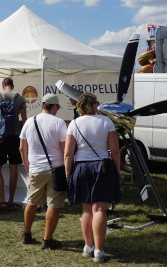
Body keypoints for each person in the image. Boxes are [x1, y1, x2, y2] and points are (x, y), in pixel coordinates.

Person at [64, 92, 121, 263]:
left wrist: (68, 174)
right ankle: (98, 250)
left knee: (87, 209)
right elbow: (116, 151)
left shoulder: (74, 123)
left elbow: (68, 153)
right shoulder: (106, 122)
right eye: (97, 102)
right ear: (93, 105)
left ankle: (88, 246)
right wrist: (117, 172)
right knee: (100, 210)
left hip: (81, 167)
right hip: (102, 167)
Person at [19, 94, 67, 250]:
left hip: (35, 168)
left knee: (32, 202)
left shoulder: (29, 122)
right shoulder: (59, 123)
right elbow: (65, 149)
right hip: (56, 169)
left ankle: (26, 234)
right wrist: (68, 169)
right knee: (54, 205)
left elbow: (22, 148)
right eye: (57, 107)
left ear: (42, 105)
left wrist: (28, 166)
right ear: (54, 106)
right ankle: (47, 240)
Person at [0, 77, 27, 212]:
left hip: (0, 136)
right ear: (12, 85)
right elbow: (25, 120)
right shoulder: (20, 98)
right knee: (13, 169)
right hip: (15, 136)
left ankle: (2, 200)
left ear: (3, 85)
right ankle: (11, 201)